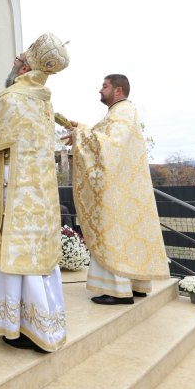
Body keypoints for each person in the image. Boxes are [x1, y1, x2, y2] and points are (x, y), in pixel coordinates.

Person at [0, 33, 70, 352]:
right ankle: (41, 324)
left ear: (25, 67)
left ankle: (20, 327)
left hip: (13, 193)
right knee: (34, 257)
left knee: (12, 254)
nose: (13, 65)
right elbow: (7, 112)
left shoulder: (14, 98)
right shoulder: (41, 100)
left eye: (17, 60)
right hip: (37, 194)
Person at [67, 74, 170, 304]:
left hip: (116, 191)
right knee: (128, 238)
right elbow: (103, 135)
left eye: (104, 86)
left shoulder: (122, 112)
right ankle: (136, 285)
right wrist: (80, 130)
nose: (100, 90)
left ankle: (118, 291)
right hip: (126, 190)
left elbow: (110, 146)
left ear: (118, 89)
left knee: (113, 235)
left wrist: (81, 135)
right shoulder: (121, 112)